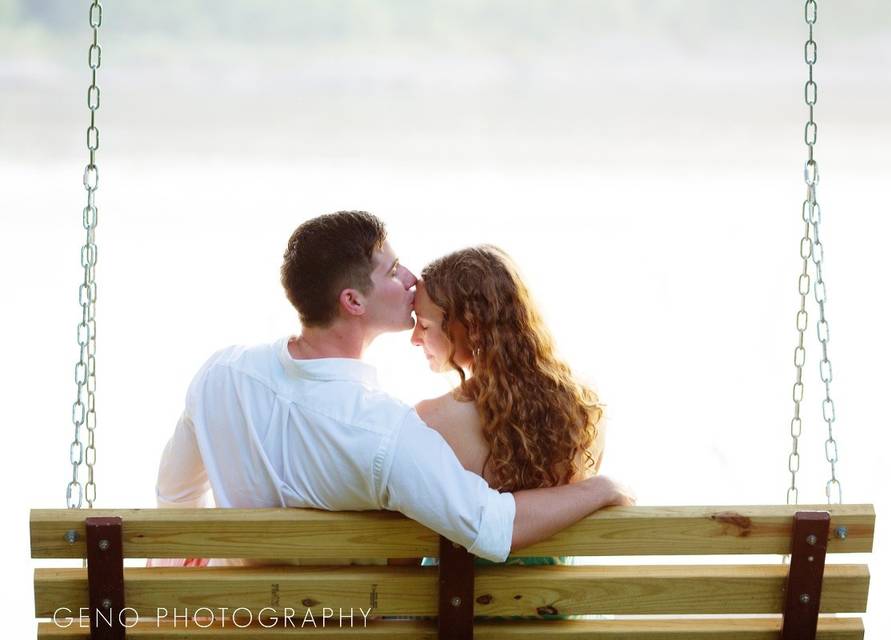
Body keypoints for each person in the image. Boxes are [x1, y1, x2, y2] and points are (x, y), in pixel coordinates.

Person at [155, 211, 633, 568]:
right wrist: (604, 488)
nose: (411, 279)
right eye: (394, 269)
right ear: (353, 300)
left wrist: (199, 567)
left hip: (233, 615)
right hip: (345, 623)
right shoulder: (387, 433)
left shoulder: (221, 373)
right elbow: (490, 526)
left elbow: (176, 495)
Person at [409, 246, 603, 599]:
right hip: (552, 609)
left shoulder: (429, 422)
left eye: (423, 325)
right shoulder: (581, 410)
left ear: (469, 327)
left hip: (459, 616)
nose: (414, 338)